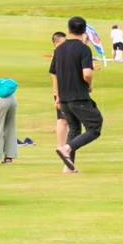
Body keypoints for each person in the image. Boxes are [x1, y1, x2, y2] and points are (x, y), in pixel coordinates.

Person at [50, 16, 103, 173]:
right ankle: (66, 148)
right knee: (95, 127)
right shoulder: (84, 49)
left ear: (68, 30)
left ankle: (68, 166)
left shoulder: (58, 50)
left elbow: (55, 74)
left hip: (64, 97)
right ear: (84, 31)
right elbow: (86, 73)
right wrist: (89, 84)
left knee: (74, 129)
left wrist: (57, 96)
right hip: (78, 96)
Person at [50, 32, 69, 149]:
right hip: (60, 92)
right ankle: (61, 146)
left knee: (68, 120)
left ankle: (66, 145)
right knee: (62, 120)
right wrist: (57, 95)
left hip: (66, 90)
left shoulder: (62, 54)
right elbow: (54, 75)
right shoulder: (56, 55)